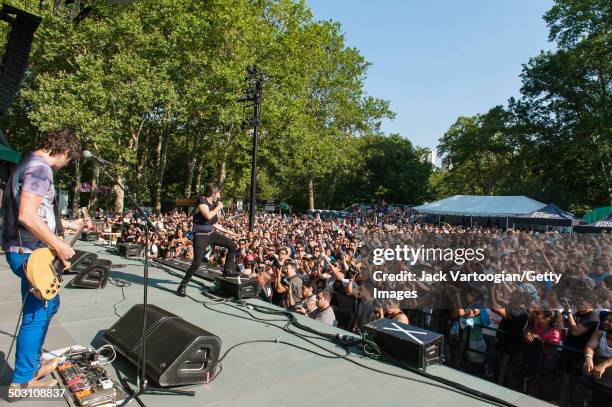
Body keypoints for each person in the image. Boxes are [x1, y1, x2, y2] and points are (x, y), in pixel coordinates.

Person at [2, 129, 83, 392]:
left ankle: (31, 363)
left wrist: (68, 224)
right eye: (69, 160)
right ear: (67, 152)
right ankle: (23, 379)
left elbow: (35, 211)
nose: (65, 166)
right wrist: (60, 245)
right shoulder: (40, 169)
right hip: (31, 255)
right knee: (37, 314)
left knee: (49, 305)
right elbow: (27, 215)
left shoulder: (25, 163)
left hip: (25, 250)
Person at [176, 183, 239, 297]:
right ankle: (182, 285)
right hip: (200, 236)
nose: (220, 195)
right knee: (196, 263)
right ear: (213, 193)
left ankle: (227, 270)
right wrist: (219, 207)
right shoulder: (202, 201)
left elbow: (213, 223)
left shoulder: (213, 203)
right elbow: (208, 216)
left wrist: (228, 232)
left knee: (233, 245)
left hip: (211, 233)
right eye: (218, 192)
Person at [584, 313, 612, 406]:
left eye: (610, 321)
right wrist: (588, 358)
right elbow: (590, 346)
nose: (605, 322)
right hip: (597, 383)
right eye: (606, 320)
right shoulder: (599, 334)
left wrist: (604, 365)